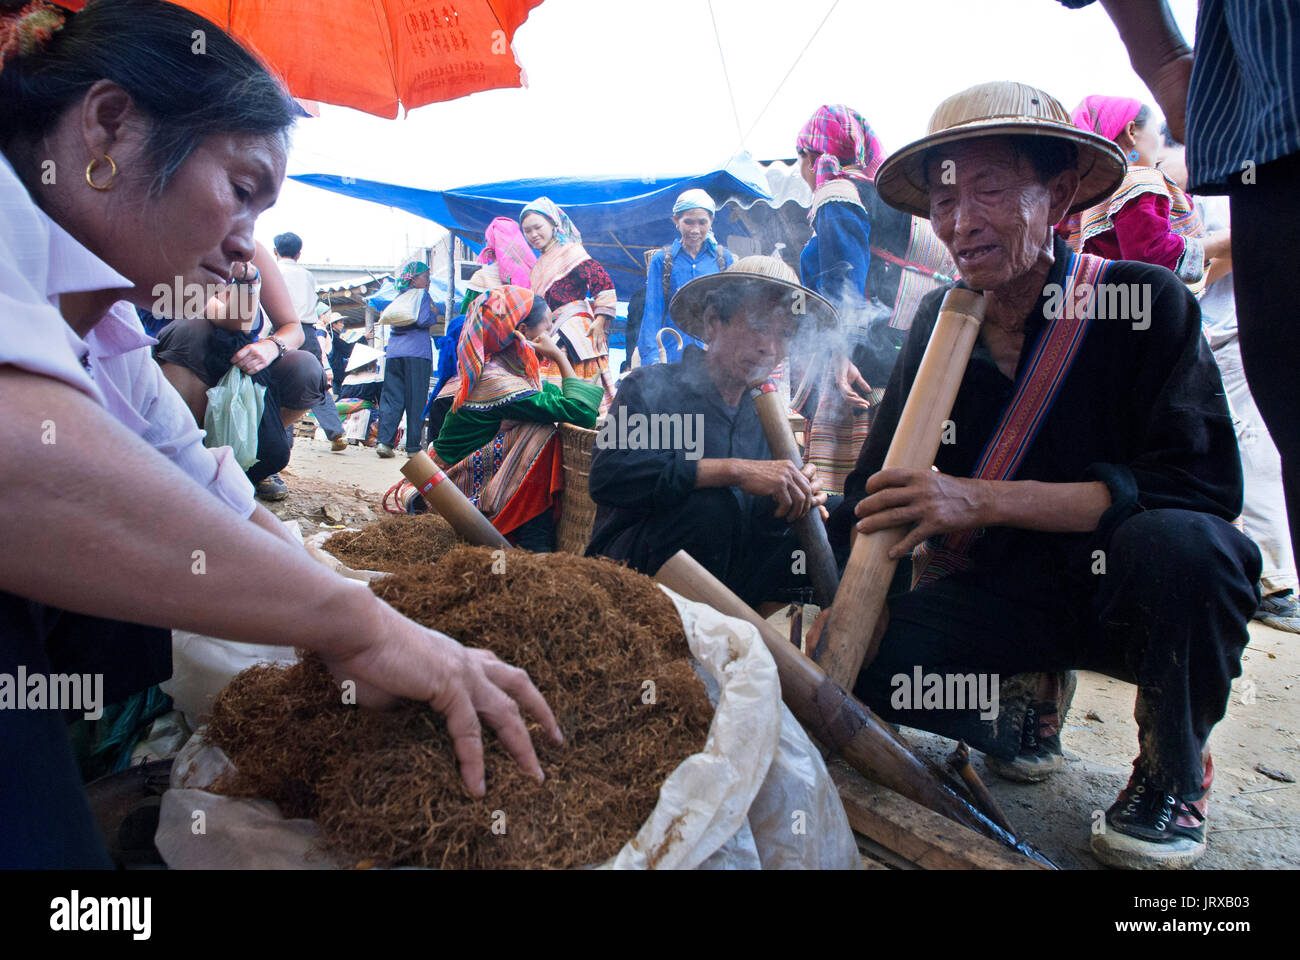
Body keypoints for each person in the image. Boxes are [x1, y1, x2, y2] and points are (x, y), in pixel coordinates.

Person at [0, 0, 558, 868]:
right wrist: (357, 628)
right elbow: (22, 467)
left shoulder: (111, 334)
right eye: (240, 191)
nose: (245, 249)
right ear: (109, 124)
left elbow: (203, 493)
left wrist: (370, 608)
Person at [813, 82, 1259, 869]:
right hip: (1006, 592)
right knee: (878, 674)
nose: (959, 222)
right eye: (946, 201)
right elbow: (876, 489)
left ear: (1055, 195)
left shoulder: (1140, 301)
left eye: (988, 189)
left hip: (1123, 595)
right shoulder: (939, 320)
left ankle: (1173, 768)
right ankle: (1027, 688)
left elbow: (1200, 491)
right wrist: (848, 611)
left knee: (1192, 550)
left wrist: (977, 498)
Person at [1060, 0, 1300, 618]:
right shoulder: (1137, 185)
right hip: (1148, 333)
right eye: (1154, 130)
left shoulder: (1091, 200)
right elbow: (1159, 259)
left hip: (1102, 334)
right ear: (1132, 137)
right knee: (1237, 446)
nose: (1163, 138)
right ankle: (1266, 576)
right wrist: (1225, 248)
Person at [587, 256, 834, 608]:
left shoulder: (764, 418)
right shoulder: (651, 386)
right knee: (711, 509)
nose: (771, 348)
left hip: (730, 582)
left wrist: (795, 498)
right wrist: (733, 471)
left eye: (786, 335)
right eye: (760, 326)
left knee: (847, 516)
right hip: (632, 579)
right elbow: (607, 478)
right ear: (713, 321)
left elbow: (760, 525)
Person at [1159, 135, 1300, 633]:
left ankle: (1274, 582)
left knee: (1251, 443)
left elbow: (1235, 249)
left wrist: (1188, 273)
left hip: (1234, 331)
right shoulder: (1187, 186)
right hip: (1205, 330)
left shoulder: (1227, 184)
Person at [793, 105, 956, 498]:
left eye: (800, 158)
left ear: (814, 157)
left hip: (855, 368)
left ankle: (846, 553)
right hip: (911, 358)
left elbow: (842, 280)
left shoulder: (837, 192)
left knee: (845, 486)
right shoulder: (901, 202)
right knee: (901, 469)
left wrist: (840, 353)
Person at [429, 286, 603, 550]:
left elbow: (563, 400)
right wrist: (558, 357)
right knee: (541, 434)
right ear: (522, 331)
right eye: (548, 329)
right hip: (453, 491)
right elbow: (583, 414)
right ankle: (536, 544)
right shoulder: (498, 382)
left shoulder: (505, 370)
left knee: (539, 424)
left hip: (456, 477)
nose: (552, 337)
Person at [153, 239, 325, 501]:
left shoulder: (248, 248)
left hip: (237, 361)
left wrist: (271, 346)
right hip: (172, 367)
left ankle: (251, 457)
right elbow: (234, 321)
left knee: (306, 367)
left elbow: (293, 329)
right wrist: (249, 281)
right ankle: (188, 459)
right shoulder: (172, 244)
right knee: (194, 332)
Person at [1059, 95, 1230, 289]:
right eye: (1156, 131)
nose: (1158, 145)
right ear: (1131, 131)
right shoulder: (1137, 181)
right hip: (1143, 313)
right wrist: (1220, 243)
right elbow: (1153, 258)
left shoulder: (1077, 199)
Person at [519, 197, 617, 409]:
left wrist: (600, 321)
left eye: (538, 227)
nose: (533, 234)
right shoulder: (537, 267)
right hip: (551, 330)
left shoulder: (571, 251)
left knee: (581, 389)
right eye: (527, 231)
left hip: (577, 330)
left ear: (553, 223)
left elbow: (602, 282)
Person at [636, 188, 735, 365]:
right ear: (676, 220)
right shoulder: (663, 260)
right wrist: (652, 362)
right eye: (688, 222)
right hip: (672, 359)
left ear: (711, 221)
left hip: (713, 360)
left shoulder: (724, 259)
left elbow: (731, 312)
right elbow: (652, 313)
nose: (695, 230)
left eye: (702, 222)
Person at [273, 230, 347, 452]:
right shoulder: (307, 275)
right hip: (307, 332)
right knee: (318, 383)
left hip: (281, 331)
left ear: (275, 252)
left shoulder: (273, 272)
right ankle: (336, 432)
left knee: (278, 385)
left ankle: (281, 440)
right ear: (298, 254)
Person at [375, 259, 438, 458]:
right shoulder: (422, 296)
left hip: (394, 353)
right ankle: (412, 448)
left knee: (392, 398)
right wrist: (434, 314)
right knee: (416, 399)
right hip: (417, 354)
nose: (428, 282)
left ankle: (384, 443)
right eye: (426, 277)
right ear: (414, 279)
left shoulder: (399, 297)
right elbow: (422, 320)